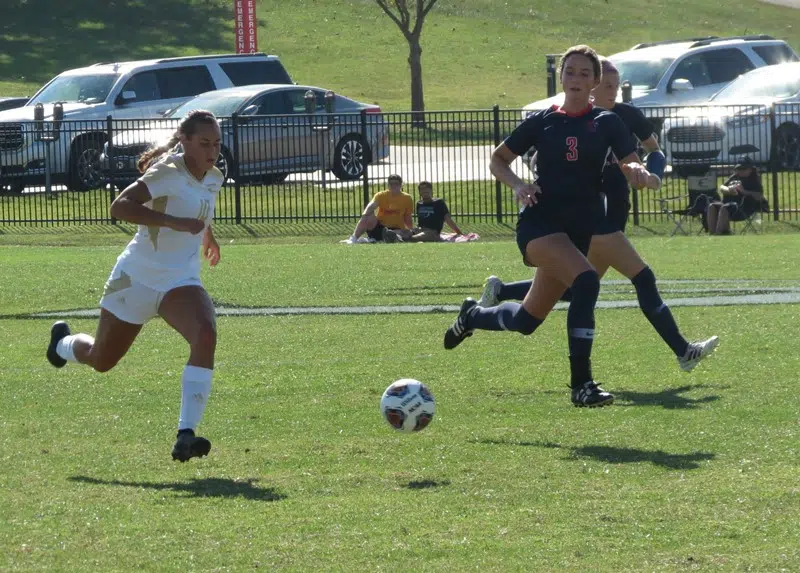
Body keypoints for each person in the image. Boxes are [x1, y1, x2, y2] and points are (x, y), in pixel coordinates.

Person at [444, 45, 659, 408]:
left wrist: (640, 174)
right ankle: (582, 385)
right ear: (561, 77)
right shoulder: (543, 121)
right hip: (540, 225)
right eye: (570, 72)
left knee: (528, 319)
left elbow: (630, 163)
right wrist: (518, 185)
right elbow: (498, 159)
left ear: (595, 82)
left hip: (576, 232)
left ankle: (473, 315)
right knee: (587, 280)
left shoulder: (607, 122)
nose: (576, 79)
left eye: (584, 74)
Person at [477, 57, 719, 373]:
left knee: (556, 298)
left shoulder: (622, 117)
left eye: (616, 86)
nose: (612, 92)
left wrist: (649, 174)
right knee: (640, 278)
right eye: (607, 86)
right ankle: (679, 352)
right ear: (593, 86)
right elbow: (518, 159)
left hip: (610, 214)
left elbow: (653, 152)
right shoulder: (569, 121)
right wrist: (525, 183)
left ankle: (497, 295)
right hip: (595, 220)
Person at [45, 110, 225, 463]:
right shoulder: (167, 172)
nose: (212, 150)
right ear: (185, 141)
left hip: (180, 281)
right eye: (204, 143)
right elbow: (119, 207)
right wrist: (174, 222)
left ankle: (186, 434)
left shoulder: (214, 176)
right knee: (101, 360)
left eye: (217, 143)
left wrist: (209, 235)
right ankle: (62, 343)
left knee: (205, 333)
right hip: (137, 277)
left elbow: (200, 212)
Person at [341, 174, 414, 243]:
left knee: (404, 233)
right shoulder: (381, 195)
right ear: (388, 185)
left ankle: (374, 239)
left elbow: (408, 216)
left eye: (396, 183)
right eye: (391, 184)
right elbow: (371, 205)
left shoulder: (407, 198)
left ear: (401, 185)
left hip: (396, 228)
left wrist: (410, 230)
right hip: (380, 227)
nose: (393, 186)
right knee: (368, 215)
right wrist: (364, 215)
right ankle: (353, 239)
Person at [707, 158, 766, 235]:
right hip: (729, 205)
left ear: (750, 169)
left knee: (724, 208)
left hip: (744, 208)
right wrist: (729, 190)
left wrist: (743, 191)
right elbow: (722, 187)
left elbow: (759, 196)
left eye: (743, 169)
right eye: (738, 169)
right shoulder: (734, 176)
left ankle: (718, 234)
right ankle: (712, 233)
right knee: (712, 206)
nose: (740, 171)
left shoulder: (754, 181)